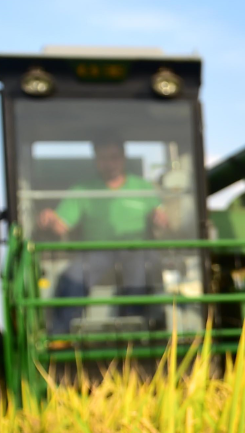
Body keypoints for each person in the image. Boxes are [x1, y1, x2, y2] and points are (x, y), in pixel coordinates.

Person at [36, 139, 170, 333]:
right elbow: (62, 225)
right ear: (96, 161)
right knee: (72, 277)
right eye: (103, 158)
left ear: (123, 159)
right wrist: (49, 219)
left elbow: (164, 220)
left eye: (114, 158)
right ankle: (61, 336)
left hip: (136, 251)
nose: (109, 164)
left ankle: (132, 332)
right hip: (96, 252)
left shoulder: (143, 187)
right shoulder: (83, 190)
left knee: (141, 272)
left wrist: (162, 219)